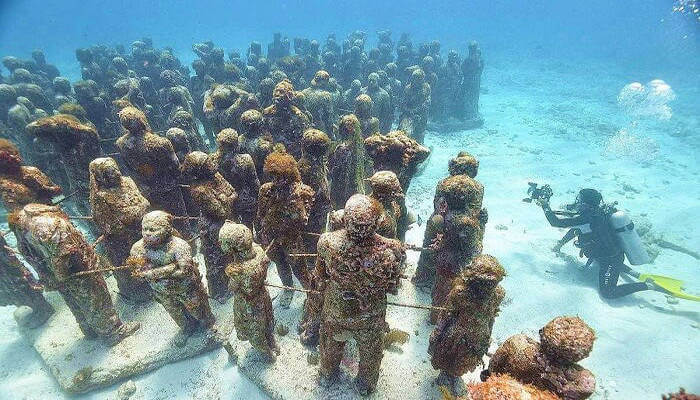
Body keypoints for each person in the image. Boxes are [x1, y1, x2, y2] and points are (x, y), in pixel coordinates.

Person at [539, 188, 665, 299]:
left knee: (608, 292)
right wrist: (560, 244)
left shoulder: (588, 219)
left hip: (610, 259)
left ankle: (648, 285)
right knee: (603, 261)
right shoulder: (597, 212)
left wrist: (545, 206)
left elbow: (556, 223)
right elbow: (576, 229)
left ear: (585, 203)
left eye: (580, 200)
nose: (577, 202)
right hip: (605, 254)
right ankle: (631, 272)